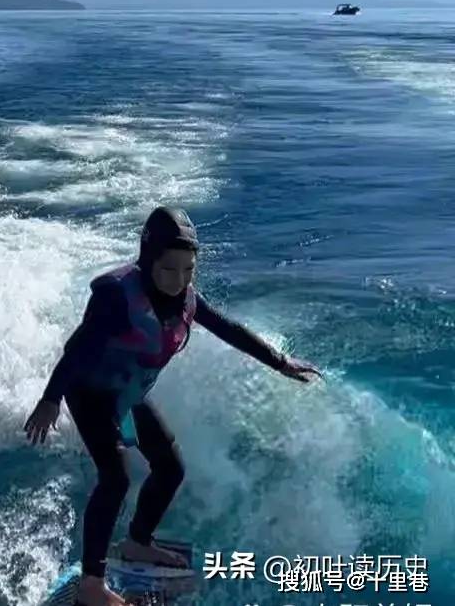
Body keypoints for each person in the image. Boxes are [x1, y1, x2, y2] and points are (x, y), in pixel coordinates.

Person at [24, 206, 322, 606]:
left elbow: (229, 329)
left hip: (127, 395)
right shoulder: (116, 296)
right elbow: (77, 351)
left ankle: (137, 543)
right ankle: (93, 585)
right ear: (148, 261)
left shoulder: (185, 300)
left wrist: (280, 362)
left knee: (170, 466)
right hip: (90, 393)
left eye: (188, 270)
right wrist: (50, 399)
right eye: (169, 270)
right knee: (115, 477)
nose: (179, 280)